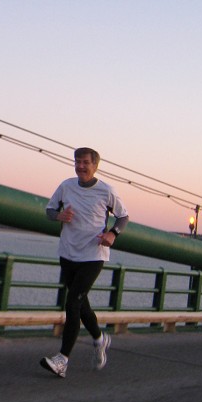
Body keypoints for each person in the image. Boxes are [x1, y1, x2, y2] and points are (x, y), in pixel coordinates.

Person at [40, 147, 129, 378]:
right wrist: (58, 216)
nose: (80, 166)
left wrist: (112, 234)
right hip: (68, 252)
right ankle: (100, 340)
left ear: (95, 165)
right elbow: (49, 210)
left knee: (72, 304)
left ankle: (62, 360)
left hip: (93, 255)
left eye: (85, 162)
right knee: (81, 304)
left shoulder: (106, 190)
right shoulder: (66, 186)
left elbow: (123, 216)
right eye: (77, 162)